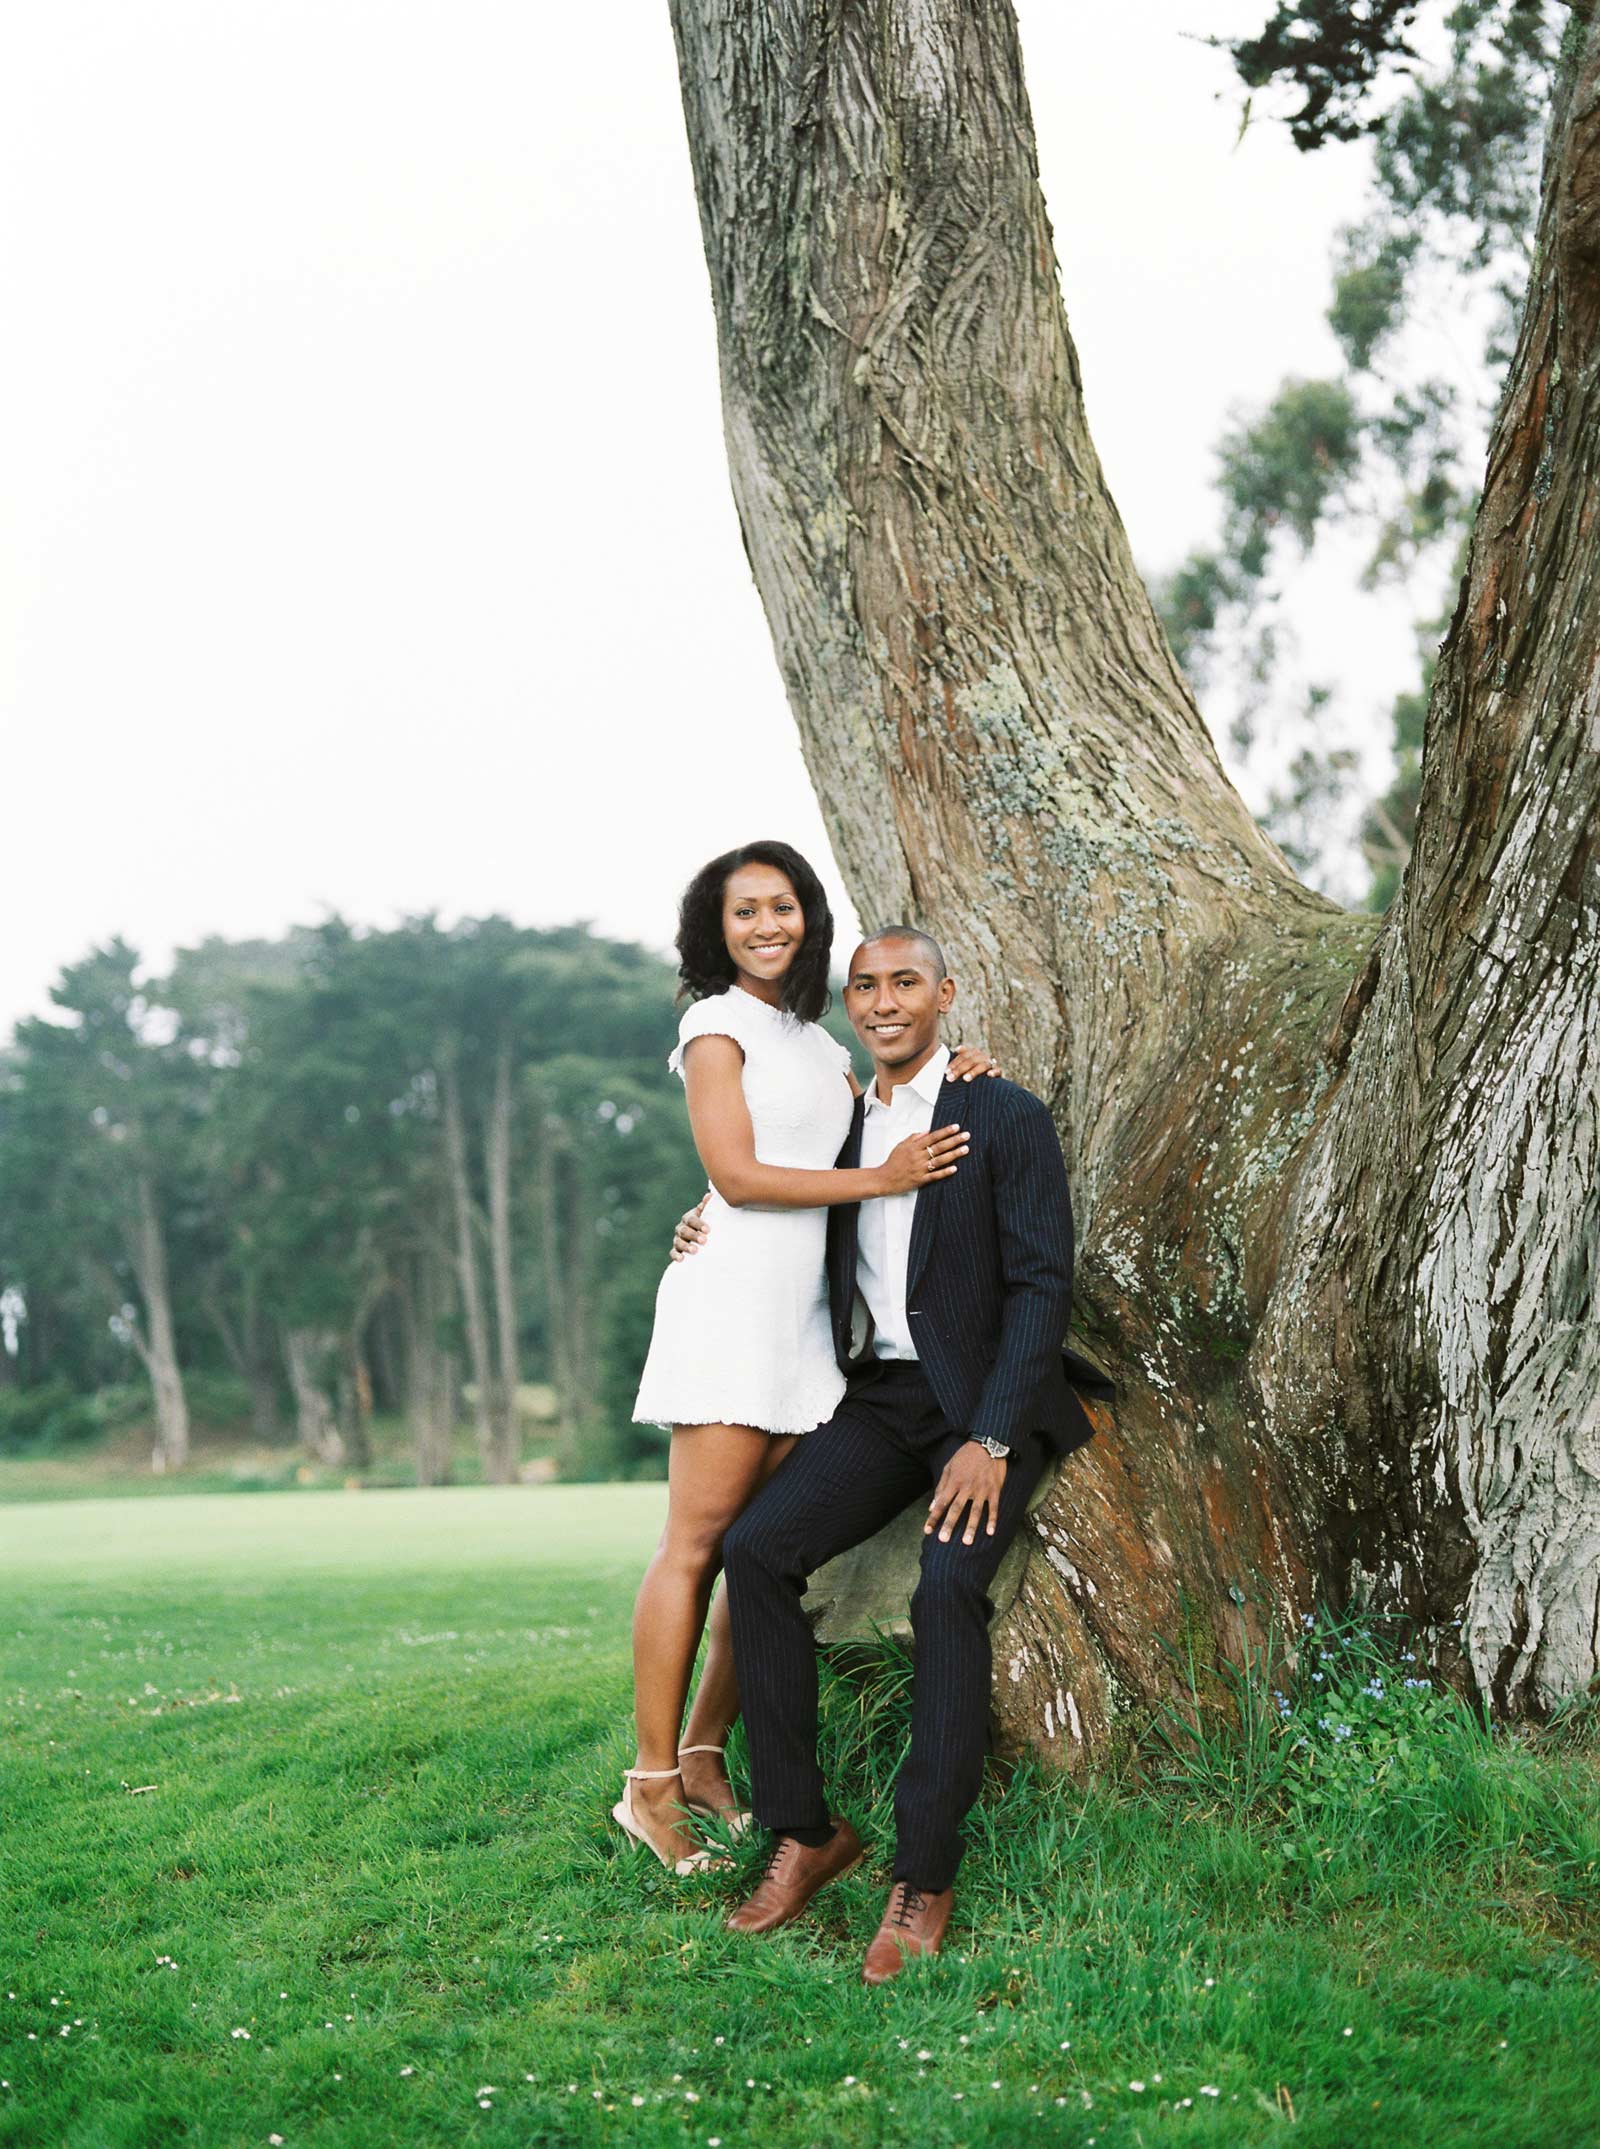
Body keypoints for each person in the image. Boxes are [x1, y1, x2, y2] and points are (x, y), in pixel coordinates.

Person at [676, 925, 1111, 1979]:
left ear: (944, 994)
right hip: (879, 1399)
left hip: (983, 1401)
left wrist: (992, 1436)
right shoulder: (837, 1126)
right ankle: (805, 1829)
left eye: (903, 982)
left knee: (946, 1587)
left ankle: (923, 1869)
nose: (880, 1000)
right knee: (759, 1550)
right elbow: (765, 1191)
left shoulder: (998, 1110)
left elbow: (1042, 1283)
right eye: (863, 985)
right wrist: (697, 1218)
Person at [616, 842, 999, 1876]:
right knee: (694, 1544)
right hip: (735, 1306)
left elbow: (869, 1114)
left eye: (781, 906)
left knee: (762, 1550)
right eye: (743, 911)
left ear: (806, 915)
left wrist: (959, 1070)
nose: (766, 926)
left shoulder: (817, 1041)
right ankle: (647, 1787)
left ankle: (704, 1754)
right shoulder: (714, 1026)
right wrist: (882, 1180)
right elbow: (737, 1176)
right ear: (716, 926)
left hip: (809, 1323)